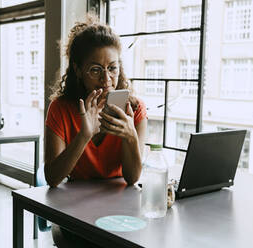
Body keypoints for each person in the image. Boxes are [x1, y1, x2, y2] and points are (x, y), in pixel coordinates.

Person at [44, 16, 147, 248]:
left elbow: (133, 178)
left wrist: (130, 136)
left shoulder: (135, 109)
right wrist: (84, 136)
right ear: (78, 70)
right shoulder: (60, 108)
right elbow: (52, 178)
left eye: (112, 68)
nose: (107, 79)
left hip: (124, 208)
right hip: (76, 209)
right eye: (95, 70)